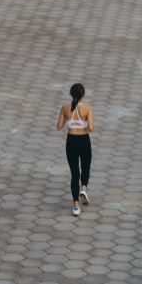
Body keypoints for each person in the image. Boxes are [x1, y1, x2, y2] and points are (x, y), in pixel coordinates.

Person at [57, 83, 93, 216]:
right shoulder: (87, 108)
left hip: (71, 141)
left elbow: (59, 126)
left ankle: (76, 206)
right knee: (86, 166)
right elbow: (91, 128)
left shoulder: (65, 108)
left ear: (71, 94)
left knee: (74, 173)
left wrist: (69, 120)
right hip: (84, 141)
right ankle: (83, 188)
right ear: (83, 94)